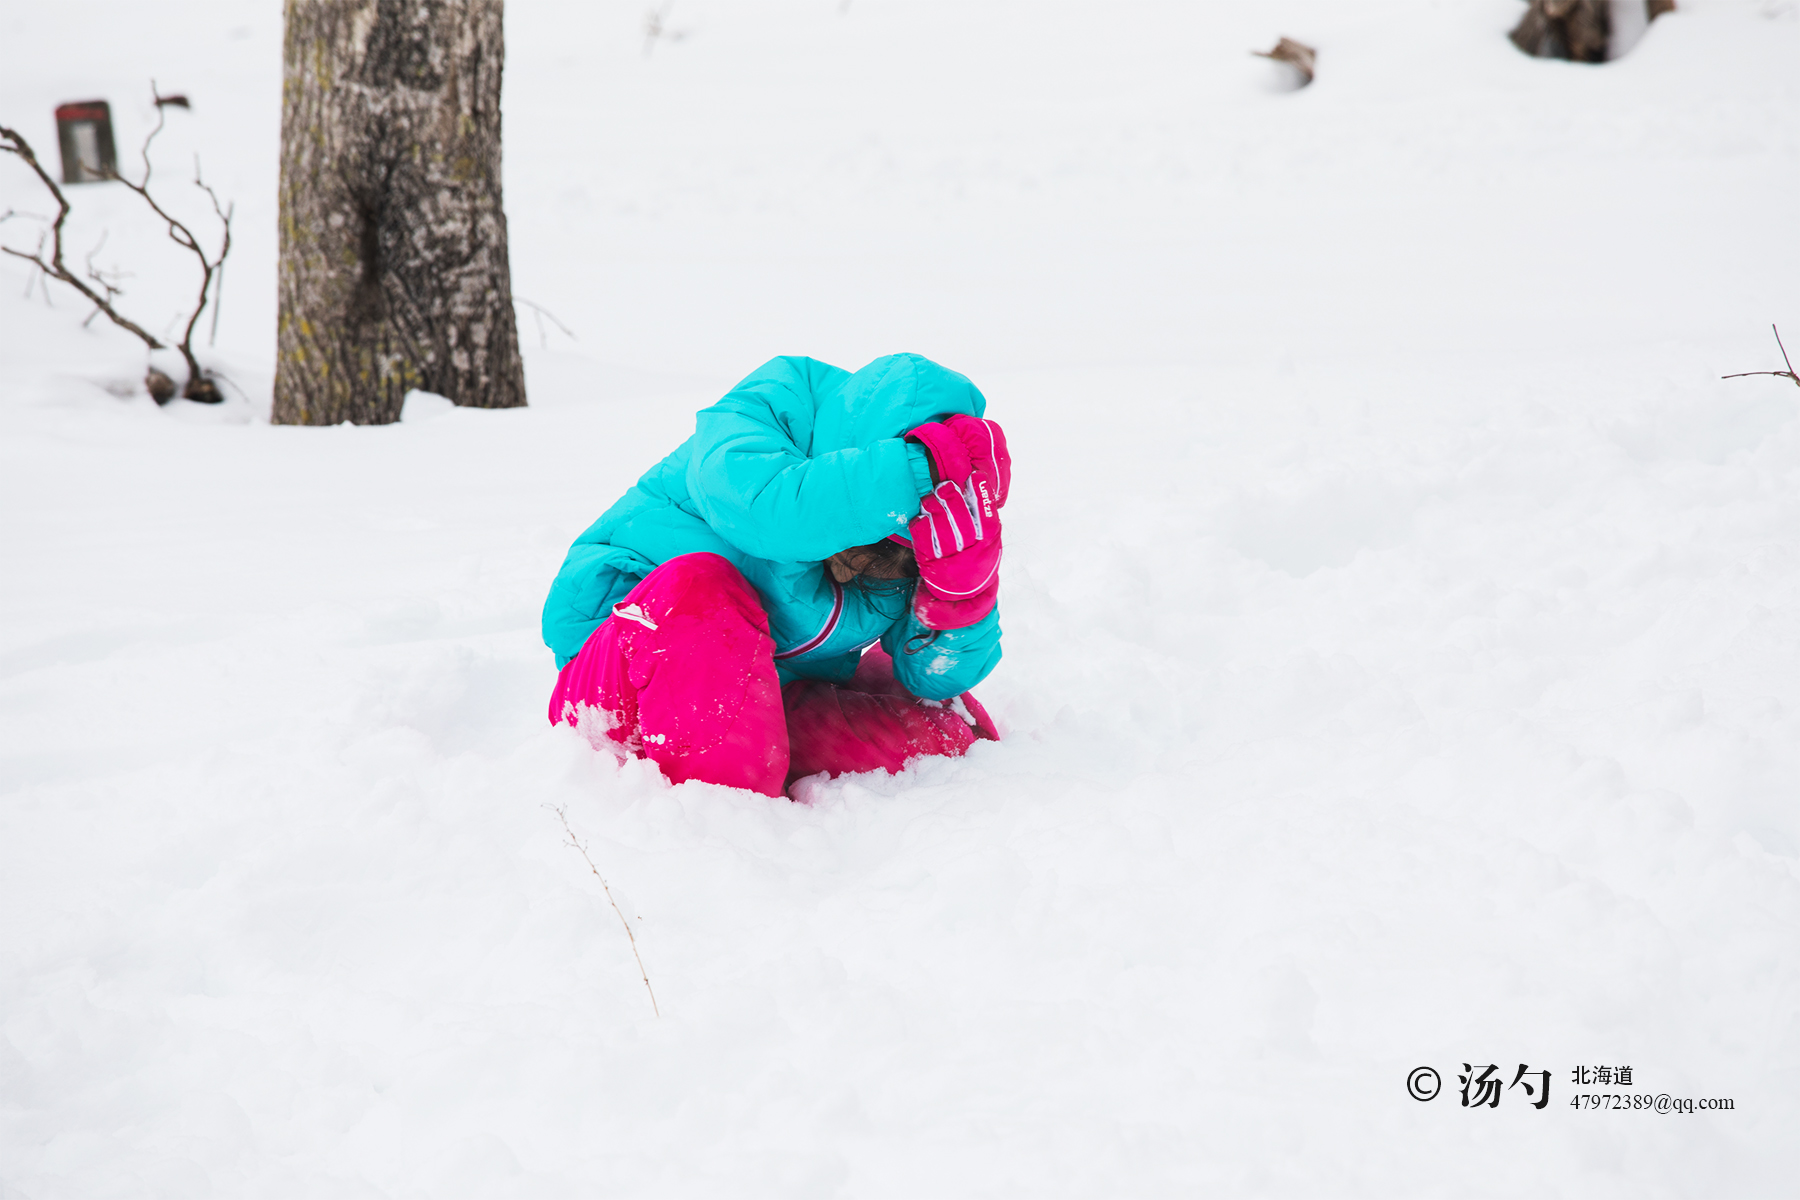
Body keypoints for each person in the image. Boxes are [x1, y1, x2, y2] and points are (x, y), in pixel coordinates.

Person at [541, 352, 1011, 798]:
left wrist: (961, 590)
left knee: (951, 733)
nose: (880, 564)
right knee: (700, 586)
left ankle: (749, 776)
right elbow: (763, 512)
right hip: (621, 689)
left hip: (759, 697)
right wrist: (911, 473)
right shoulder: (771, 408)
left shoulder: (906, 542)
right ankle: (724, 820)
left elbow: (933, 677)